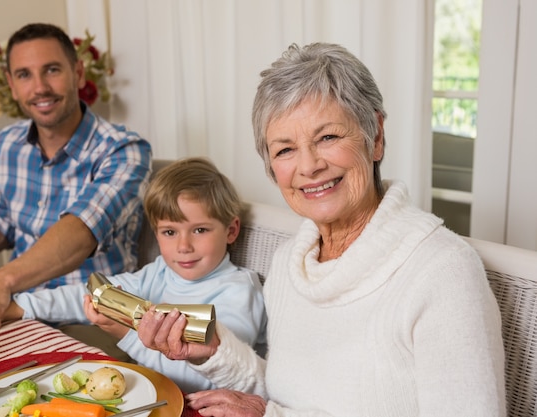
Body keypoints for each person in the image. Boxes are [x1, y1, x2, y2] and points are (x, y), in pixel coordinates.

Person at [133, 43, 507, 416]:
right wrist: (212, 350)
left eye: (327, 137)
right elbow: (290, 396)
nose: (309, 167)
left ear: (374, 136)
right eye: (284, 150)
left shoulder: (443, 272)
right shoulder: (289, 263)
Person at [0, 23, 151, 339]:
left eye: (52, 70)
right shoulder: (7, 143)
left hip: (91, 319)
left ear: (78, 73)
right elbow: (2, 220)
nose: (39, 87)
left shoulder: (125, 150)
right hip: (17, 310)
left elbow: (81, 233)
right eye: (24, 75)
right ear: (11, 84)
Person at [2, 157, 267, 393]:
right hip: (147, 393)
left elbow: (209, 380)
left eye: (199, 230)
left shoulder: (239, 291)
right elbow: (90, 296)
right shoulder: (159, 272)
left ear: (231, 231)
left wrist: (126, 334)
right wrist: (19, 307)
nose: (183, 247)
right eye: (170, 232)